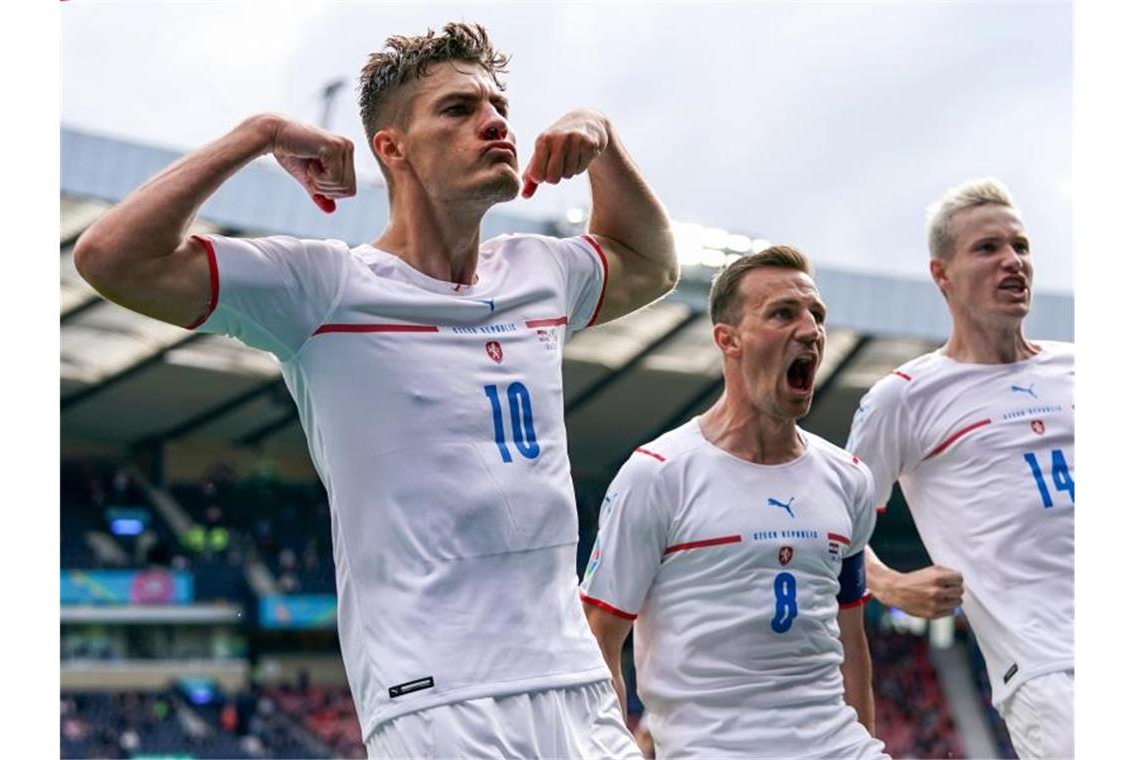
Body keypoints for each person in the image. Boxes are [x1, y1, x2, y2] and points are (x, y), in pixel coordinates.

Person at [74, 22, 677, 758]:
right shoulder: (324, 288)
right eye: (457, 110)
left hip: (574, 684)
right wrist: (256, 134)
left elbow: (651, 262)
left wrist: (604, 138)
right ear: (391, 149)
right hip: (439, 697)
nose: (494, 122)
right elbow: (111, 256)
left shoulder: (541, 271)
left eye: (498, 106)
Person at [580, 247, 888, 759]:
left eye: (817, 316)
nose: (811, 330)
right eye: (783, 313)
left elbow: (851, 642)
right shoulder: (657, 474)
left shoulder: (849, 480)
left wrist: (867, 744)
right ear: (729, 340)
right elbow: (599, 638)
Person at [846, 178, 1073, 759]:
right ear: (941, 274)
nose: (1012, 262)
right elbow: (831, 529)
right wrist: (893, 585)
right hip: (1052, 670)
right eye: (987, 248)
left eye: (1020, 246)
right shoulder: (904, 399)